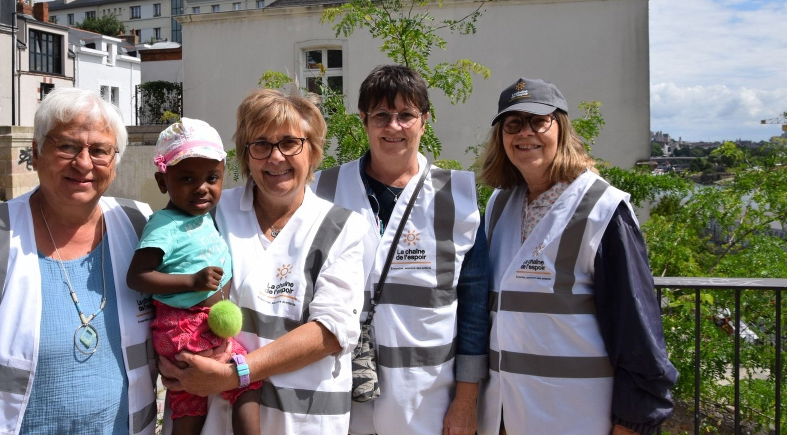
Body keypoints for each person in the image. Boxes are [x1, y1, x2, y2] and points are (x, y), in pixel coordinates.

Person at [0, 88, 158, 435]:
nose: (84, 163)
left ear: (114, 163)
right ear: (37, 152)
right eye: (67, 146)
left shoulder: (140, 226)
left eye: (100, 150)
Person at [158, 88, 374, 434]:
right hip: (215, 418)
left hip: (302, 419)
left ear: (313, 149)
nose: (275, 157)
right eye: (261, 145)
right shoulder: (210, 214)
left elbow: (331, 331)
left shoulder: (342, 227)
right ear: (245, 155)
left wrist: (234, 375)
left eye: (290, 143)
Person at [477, 77, 677, 435]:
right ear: (501, 137)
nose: (525, 133)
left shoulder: (603, 209)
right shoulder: (499, 205)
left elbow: (637, 332)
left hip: (575, 417)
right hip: (504, 415)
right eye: (513, 123)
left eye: (539, 121)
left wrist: (631, 423)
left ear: (561, 128)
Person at [312, 64, 489, 435]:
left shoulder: (458, 198)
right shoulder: (322, 191)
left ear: (425, 121)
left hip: (427, 403)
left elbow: (474, 310)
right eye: (381, 115)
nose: (393, 127)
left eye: (406, 115)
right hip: (339, 397)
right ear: (363, 120)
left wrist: (466, 401)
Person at [127, 118, 261, 435]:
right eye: (187, 178)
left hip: (202, 321)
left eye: (212, 178)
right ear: (163, 182)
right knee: (244, 380)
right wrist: (192, 282)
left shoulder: (202, 217)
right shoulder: (164, 224)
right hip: (183, 324)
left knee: (191, 401)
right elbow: (138, 276)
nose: (202, 187)